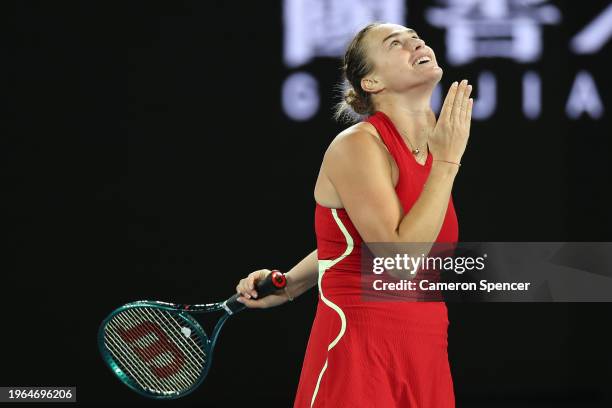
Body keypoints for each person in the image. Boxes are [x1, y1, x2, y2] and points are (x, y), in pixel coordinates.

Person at [235, 22, 472, 407]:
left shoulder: (433, 143)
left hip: (426, 349)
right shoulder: (358, 146)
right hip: (359, 349)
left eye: (416, 37)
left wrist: (292, 283)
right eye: (396, 43)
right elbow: (399, 260)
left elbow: (353, 240)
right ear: (372, 82)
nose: (416, 42)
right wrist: (447, 162)